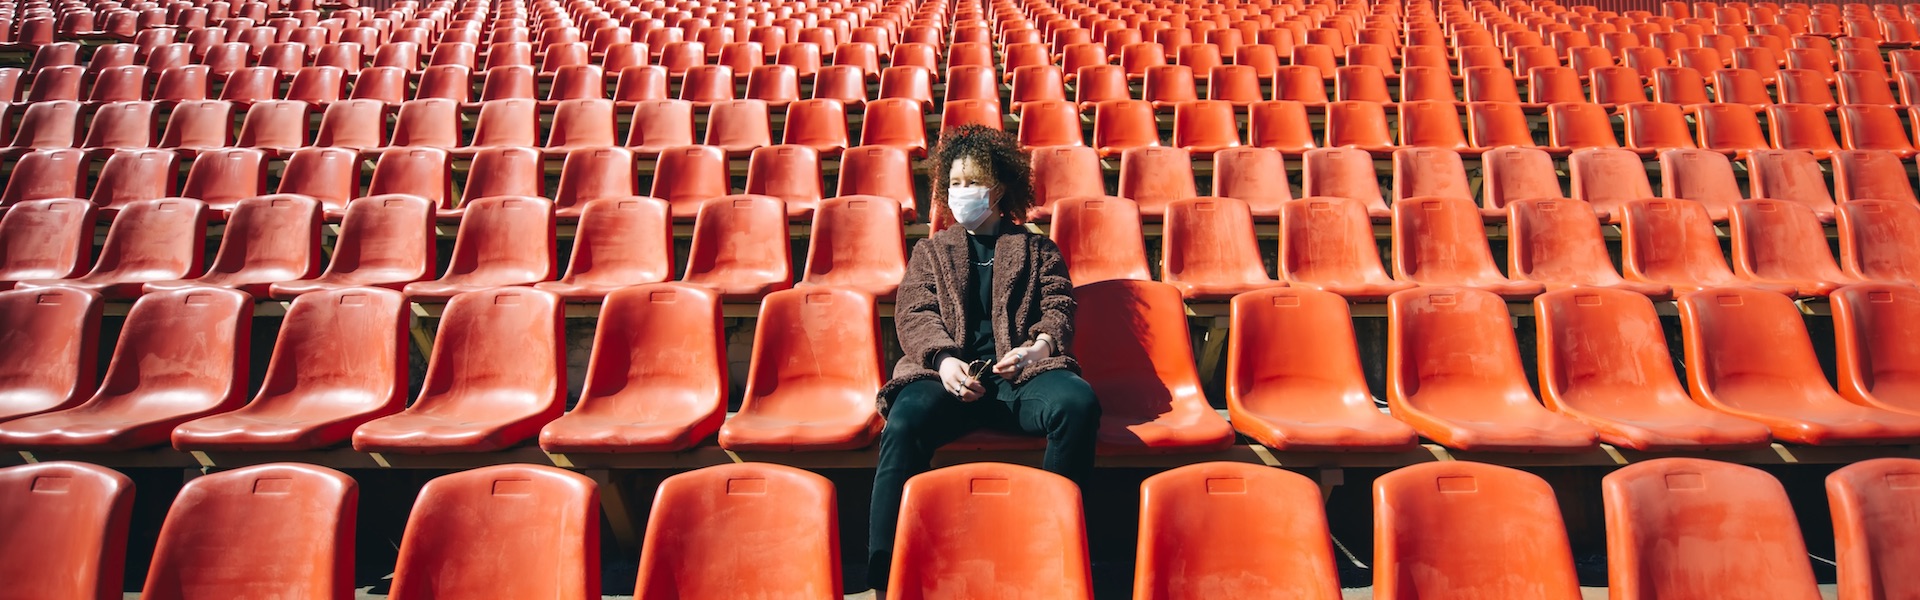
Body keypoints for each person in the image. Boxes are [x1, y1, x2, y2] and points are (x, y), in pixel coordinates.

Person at [864, 125, 1102, 596]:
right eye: (953, 183)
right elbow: (915, 314)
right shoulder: (929, 251)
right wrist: (947, 360)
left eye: (971, 182)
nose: (960, 192)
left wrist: (1037, 348)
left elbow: (1059, 307)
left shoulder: (1038, 249)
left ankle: (1053, 553)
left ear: (998, 189)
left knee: (1077, 405)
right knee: (905, 420)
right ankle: (882, 573)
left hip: (1020, 377)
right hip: (945, 377)